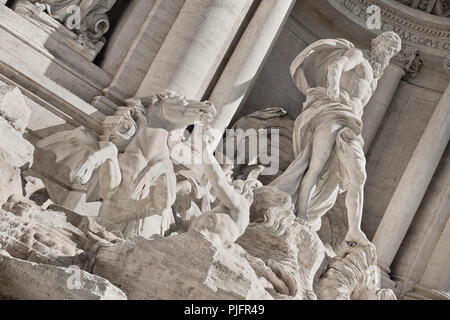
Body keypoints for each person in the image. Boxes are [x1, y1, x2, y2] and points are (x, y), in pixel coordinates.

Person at [271, 32, 402, 247]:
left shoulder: (376, 79)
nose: (388, 53)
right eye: (387, 46)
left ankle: (354, 230)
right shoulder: (359, 55)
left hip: (351, 124)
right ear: (376, 43)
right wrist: (332, 90)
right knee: (317, 163)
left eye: (392, 51)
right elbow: (337, 66)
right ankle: (301, 212)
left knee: (357, 175)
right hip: (334, 110)